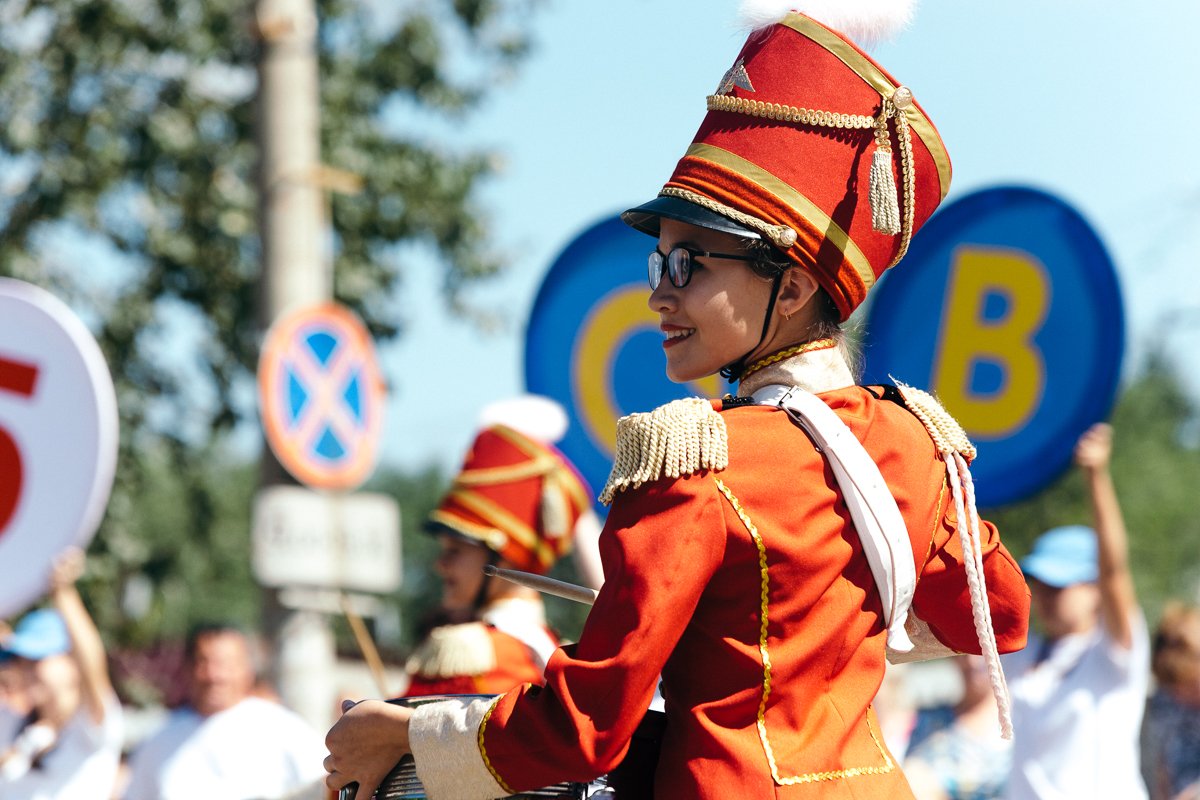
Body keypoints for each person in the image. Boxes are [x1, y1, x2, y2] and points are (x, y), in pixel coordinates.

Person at [324, 3, 1030, 798]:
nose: (659, 296)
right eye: (658, 263)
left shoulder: (697, 461)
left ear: (792, 286)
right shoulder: (911, 442)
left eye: (690, 264)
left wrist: (407, 731)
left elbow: (585, 728)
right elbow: (995, 616)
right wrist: (822, 618)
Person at [404, 395, 601, 696]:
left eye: (454, 551)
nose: (440, 565)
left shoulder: (473, 654)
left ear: (504, 559)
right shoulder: (550, 644)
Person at [1002, 423, 1150, 800]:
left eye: (1059, 585)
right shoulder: (1022, 654)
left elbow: (1115, 571)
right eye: (1040, 583)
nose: (1046, 596)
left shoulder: (1112, 655)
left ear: (1094, 589)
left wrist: (1095, 476)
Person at [122, 623, 327, 800]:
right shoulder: (160, 739)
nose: (214, 675)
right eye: (204, 662)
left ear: (247, 668)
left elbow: (326, 786)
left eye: (225, 664)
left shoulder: (284, 730)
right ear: (188, 667)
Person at [0, 547, 124, 799]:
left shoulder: (91, 724)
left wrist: (62, 591)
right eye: (21, 661)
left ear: (71, 662)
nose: (27, 670)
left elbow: (91, 660)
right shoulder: (14, 722)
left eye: (37, 659)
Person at [903, 655, 1012, 800]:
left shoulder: (1024, 721)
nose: (972, 662)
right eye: (964, 652)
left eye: (981, 652)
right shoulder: (931, 721)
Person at [1141, 602, 1200, 800]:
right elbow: (1162, 766)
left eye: (1189, 683)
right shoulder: (1163, 703)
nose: (1180, 695)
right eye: (1173, 686)